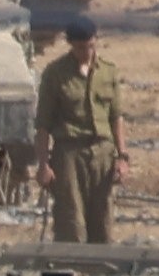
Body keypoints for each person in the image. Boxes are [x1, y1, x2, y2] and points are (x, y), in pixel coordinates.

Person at [33, 16, 124, 245]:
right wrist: (43, 165)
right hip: (69, 155)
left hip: (103, 153)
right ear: (71, 44)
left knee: (103, 222)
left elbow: (116, 117)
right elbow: (43, 124)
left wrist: (122, 157)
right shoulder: (55, 74)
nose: (86, 51)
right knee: (71, 223)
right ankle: (71, 271)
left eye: (91, 45)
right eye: (81, 47)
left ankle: (100, 275)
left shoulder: (109, 72)